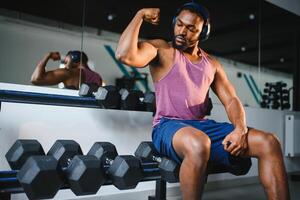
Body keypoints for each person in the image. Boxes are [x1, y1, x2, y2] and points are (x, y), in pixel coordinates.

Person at [115, 2, 290, 200]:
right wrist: (139, 16)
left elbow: (231, 100)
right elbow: (124, 55)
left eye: (191, 29)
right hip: (167, 126)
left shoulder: (211, 64)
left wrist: (240, 129)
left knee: (270, 142)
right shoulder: (162, 50)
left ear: (202, 33)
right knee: (199, 143)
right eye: (179, 24)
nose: (182, 32)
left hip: (202, 127)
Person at [31, 50, 103, 90]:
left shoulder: (69, 73)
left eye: (66, 62)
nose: (65, 65)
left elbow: (36, 79)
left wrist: (48, 55)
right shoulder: (97, 77)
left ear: (73, 59)